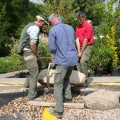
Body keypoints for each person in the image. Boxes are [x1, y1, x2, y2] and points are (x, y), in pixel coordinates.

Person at [48, 14, 78, 119]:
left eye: (50, 22)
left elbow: (52, 48)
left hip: (62, 61)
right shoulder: (70, 27)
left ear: (52, 20)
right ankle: (68, 98)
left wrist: (58, 53)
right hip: (73, 59)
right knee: (66, 79)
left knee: (57, 84)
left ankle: (58, 111)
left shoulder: (53, 30)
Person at [17, 14, 48, 101]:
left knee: (39, 65)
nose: (43, 25)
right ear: (39, 21)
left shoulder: (30, 25)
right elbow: (32, 44)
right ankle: (32, 97)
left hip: (27, 50)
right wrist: (35, 55)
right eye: (43, 23)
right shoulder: (35, 28)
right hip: (28, 51)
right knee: (34, 71)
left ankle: (27, 85)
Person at [75, 11, 94, 86]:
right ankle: (80, 79)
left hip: (88, 46)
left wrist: (81, 51)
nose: (79, 21)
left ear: (84, 18)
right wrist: (79, 51)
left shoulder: (88, 26)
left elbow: (86, 40)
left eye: (80, 19)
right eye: (78, 19)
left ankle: (85, 81)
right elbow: (77, 40)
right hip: (80, 46)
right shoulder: (77, 27)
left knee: (83, 61)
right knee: (76, 61)